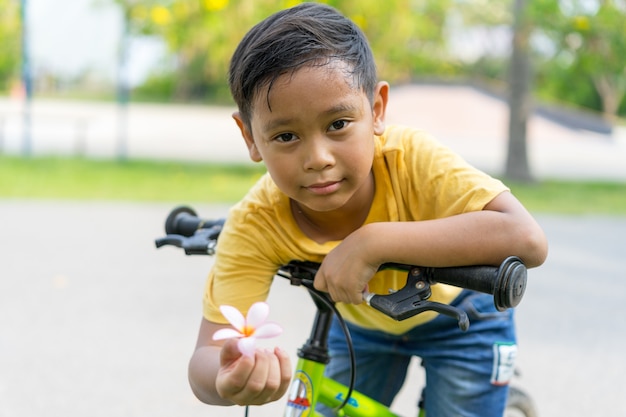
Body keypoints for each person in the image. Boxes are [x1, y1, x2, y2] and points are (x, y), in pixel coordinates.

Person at [188, 3, 548, 417]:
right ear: (250, 137)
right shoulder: (256, 222)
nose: (318, 158)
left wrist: (372, 242)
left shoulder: (411, 159)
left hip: (461, 315)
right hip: (358, 325)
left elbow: (527, 240)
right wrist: (225, 377)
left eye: (338, 124)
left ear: (377, 110)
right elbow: (205, 356)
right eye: (286, 135)